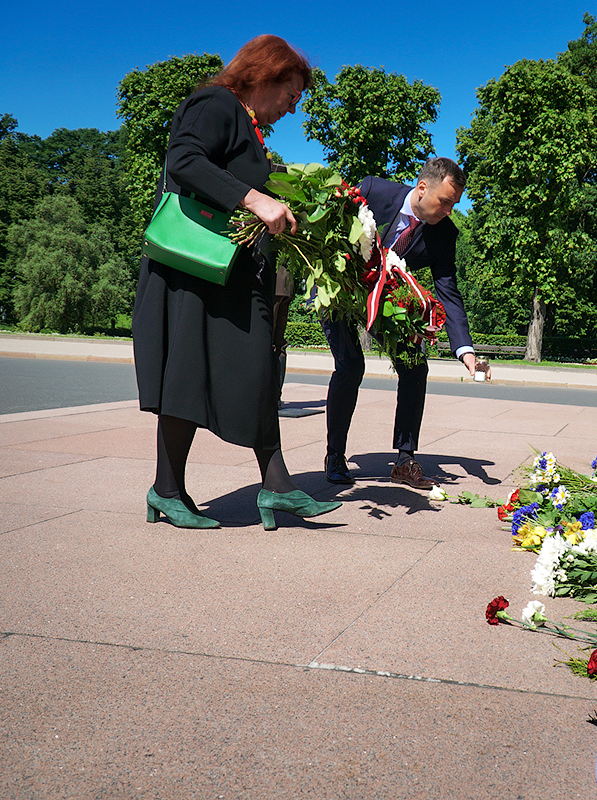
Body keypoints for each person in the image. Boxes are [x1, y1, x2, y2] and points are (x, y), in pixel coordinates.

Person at [133, 35, 339, 530]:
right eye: (291, 94)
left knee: (256, 370)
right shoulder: (216, 102)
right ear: (265, 75)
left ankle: (274, 486)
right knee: (188, 377)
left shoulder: (247, 125)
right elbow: (184, 160)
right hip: (193, 271)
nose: (293, 108)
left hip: (225, 275)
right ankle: (170, 490)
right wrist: (255, 198)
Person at [321, 158, 479, 490]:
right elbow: (328, 229)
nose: (448, 211)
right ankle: (335, 455)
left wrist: (464, 348)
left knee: (415, 366)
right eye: (445, 201)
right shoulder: (372, 191)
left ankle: (405, 460)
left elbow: (448, 291)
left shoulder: (444, 234)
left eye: (454, 204)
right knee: (350, 366)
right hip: (339, 290)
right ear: (422, 188)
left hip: (387, 303)